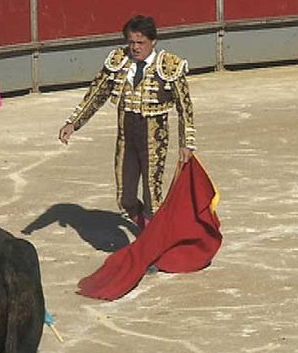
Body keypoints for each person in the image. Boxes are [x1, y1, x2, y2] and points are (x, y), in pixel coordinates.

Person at [58, 15, 197, 230]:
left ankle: (152, 242)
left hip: (154, 140)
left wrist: (186, 143)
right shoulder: (119, 61)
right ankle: (149, 232)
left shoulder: (170, 66)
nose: (135, 47)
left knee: (152, 197)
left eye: (140, 42)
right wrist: (73, 123)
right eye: (131, 42)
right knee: (125, 198)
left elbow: (184, 108)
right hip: (126, 138)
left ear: (153, 41)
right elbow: (97, 93)